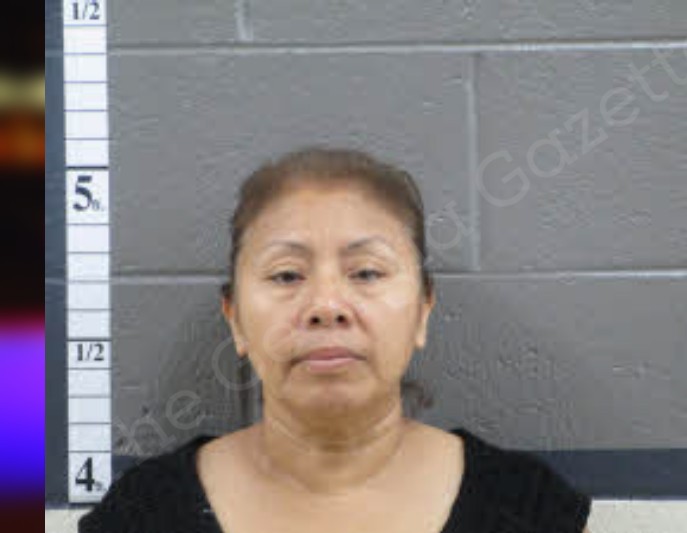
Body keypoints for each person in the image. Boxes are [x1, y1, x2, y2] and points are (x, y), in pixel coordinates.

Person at [79, 147, 591, 533]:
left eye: (366, 273)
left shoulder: (528, 509)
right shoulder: (142, 516)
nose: (326, 305)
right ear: (235, 320)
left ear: (422, 311)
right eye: (286, 275)